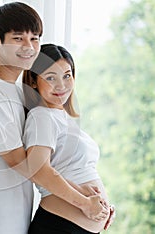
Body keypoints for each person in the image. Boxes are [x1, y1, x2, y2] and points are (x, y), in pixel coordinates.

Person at [0, 2, 108, 234]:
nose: (29, 47)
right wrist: (86, 202)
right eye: (18, 38)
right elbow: (30, 166)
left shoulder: (14, 90)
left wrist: (96, 202)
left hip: (8, 219)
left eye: (35, 38)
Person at [22, 43, 116, 234]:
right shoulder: (42, 116)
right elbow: (38, 170)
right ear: (33, 81)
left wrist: (102, 206)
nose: (62, 85)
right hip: (59, 227)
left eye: (67, 75)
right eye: (50, 77)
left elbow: (76, 172)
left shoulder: (63, 119)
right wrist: (86, 204)